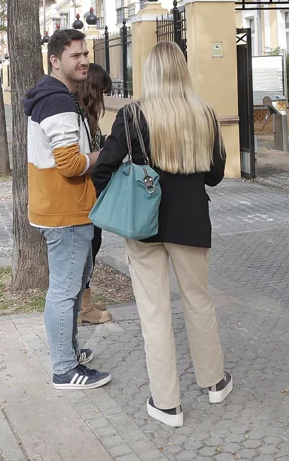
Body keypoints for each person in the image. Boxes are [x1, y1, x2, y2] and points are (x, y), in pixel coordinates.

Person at [91, 42, 232, 428]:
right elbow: (216, 175)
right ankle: (215, 382)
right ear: (183, 71)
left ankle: (167, 404)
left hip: (143, 224)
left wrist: (123, 190)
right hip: (191, 222)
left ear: (149, 73)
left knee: (153, 312)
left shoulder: (133, 115)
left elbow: (102, 169)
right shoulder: (204, 113)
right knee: (198, 302)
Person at [22, 28, 110, 390]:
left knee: (71, 287)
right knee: (64, 289)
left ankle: (69, 351)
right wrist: (105, 155)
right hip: (64, 212)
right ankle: (63, 369)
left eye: (85, 53)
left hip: (66, 208)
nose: (84, 60)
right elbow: (71, 164)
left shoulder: (58, 95)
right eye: (75, 55)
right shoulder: (57, 101)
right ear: (55, 61)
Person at [75, 63, 114, 325]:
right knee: (88, 248)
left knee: (91, 249)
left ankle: (85, 301)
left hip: (92, 193)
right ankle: (83, 309)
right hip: (87, 195)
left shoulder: (87, 116)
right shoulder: (81, 118)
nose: (103, 98)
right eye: (102, 92)